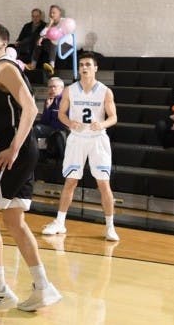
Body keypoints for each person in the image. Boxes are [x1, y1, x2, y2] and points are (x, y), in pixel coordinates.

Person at [0, 21, 61, 317]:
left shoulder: (4, 67)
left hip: (16, 152)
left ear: (4, 44)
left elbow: (31, 108)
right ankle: (43, 286)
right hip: (16, 147)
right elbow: (10, 122)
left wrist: (13, 149)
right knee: (15, 221)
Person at [41, 52, 120, 241]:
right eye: (82, 64)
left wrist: (102, 124)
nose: (84, 67)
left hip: (97, 139)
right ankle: (60, 222)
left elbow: (114, 117)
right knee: (70, 181)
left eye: (88, 64)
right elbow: (61, 114)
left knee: (103, 183)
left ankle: (110, 226)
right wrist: (69, 122)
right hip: (77, 138)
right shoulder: (70, 90)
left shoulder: (105, 91)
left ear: (95, 68)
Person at [32, 77, 69, 161]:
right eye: (50, 87)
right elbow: (44, 122)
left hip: (63, 129)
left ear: (62, 88)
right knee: (36, 129)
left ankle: (63, 160)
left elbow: (66, 120)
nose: (52, 89)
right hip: (51, 128)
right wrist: (47, 108)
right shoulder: (49, 100)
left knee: (58, 136)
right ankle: (36, 155)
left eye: (54, 87)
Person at [28, 5, 64, 75]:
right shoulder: (50, 23)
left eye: (54, 13)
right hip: (52, 45)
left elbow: (58, 35)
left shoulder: (64, 22)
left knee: (53, 41)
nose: (51, 14)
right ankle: (33, 64)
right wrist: (49, 24)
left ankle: (52, 66)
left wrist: (46, 37)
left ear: (59, 13)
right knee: (39, 41)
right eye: (50, 13)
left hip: (62, 46)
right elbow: (42, 34)